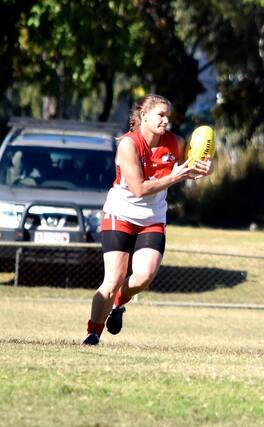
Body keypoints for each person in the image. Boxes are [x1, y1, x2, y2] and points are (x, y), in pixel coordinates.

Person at [83, 94, 212, 345]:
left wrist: (207, 168)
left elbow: (195, 166)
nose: (166, 121)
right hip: (120, 214)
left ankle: (119, 302)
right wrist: (175, 177)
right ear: (144, 116)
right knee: (114, 279)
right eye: (160, 115)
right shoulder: (129, 145)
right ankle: (92, 334)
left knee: (144, 276)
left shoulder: (175, 143)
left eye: (168, 116)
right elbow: (139, 189)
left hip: (152, 218)